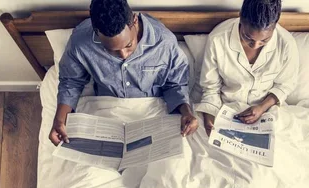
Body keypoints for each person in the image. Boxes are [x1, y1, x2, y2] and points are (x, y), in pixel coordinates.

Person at [49, 0, 198, 145]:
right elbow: (71, 81)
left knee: (170, 168)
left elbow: (175, 83)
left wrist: (186, 112)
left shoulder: (164, 42)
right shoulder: (80, 42)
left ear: (134, 20)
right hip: (105, 111)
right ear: (96, 32)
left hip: (151, 110)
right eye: (112, 50)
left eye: (128, 45)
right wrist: (59, 120)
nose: (123, 56)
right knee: (89, 170)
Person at [196, 0, 298, 136]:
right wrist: (210, 115)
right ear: (240, 18)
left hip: (267, 111)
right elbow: (210, 87)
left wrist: (262, 107)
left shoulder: (286, 44)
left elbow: (285, 85)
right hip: (226, 109)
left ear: (275, 25)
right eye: (247, 37)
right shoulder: (218, 39)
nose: (255, 45)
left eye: (264, 40)